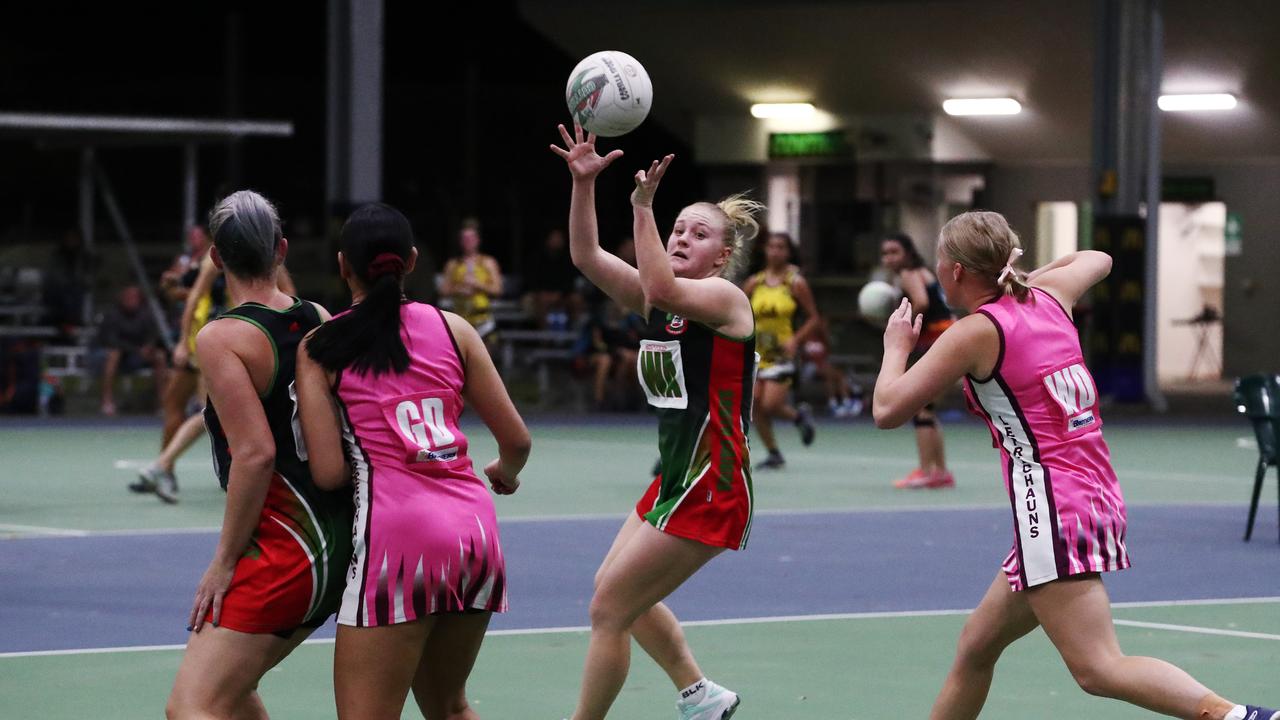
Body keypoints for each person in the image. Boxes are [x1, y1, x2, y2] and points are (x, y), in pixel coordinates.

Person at [871, 210, 1279, 720]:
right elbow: (1098, 258)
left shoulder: (974, 332)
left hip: (1053, 508)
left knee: (1098, 668)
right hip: (1093, 494)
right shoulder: (1050, 296)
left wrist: (896, 348)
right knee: (976, 646)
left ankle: (1238, 717)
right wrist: (1025, 278)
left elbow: (887, 410)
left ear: (954, 271)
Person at [552, 122, 758, 720]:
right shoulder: (656, 297)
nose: (681, 237)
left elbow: (663, 286)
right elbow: (586, 255)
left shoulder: (725, 300)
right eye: (677, 228)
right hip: (677, 476)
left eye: (698, 233)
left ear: (722, 256)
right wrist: (584, 183)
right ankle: (701, 694)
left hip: (713, 482)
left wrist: (643, 207)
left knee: (608, 610)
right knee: (617, 595)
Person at [295, 203, 529, 719]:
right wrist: (503, 474)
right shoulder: (454, 329)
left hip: (396, 542)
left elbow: (330, 473)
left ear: (342, 265)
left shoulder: (321, 346)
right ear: (413, 261)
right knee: (449, 707)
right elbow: (517, 442)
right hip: (474, 533)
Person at [165, 191, 353, 719]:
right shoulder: (316, 314)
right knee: (232, 689)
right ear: (282, 251)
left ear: (217, 258)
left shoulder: (222, 338)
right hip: (337, 532)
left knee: (191, 707)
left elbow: (254, 454)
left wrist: (223, 562)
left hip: (288, 546)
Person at [880, 232, 956, 488]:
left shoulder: (908, 274)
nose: (889, 258)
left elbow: (921, 302)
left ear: (908, 254)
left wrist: (902, 324)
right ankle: (941, 472)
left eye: (894, 252)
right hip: (944, 339)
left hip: (935, 341)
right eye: (885, 253)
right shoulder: (920, 271)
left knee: (921, 408)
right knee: (928, 409)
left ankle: (926, 471)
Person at [741, 232, 818, 469]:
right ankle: (774, 452)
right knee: (754, 404)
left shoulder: (795, 282)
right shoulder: (754, 282)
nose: (775, 251)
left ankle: (798, 417)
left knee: (771, 405)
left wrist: (796, 340)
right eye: (771, 246)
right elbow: (739, 312)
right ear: (765, 250)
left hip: (782, 353)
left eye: (781, 247)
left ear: (788, 252)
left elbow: (814, 318)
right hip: (758, 352)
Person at [95, 285, 166, 416]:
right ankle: (107, 401)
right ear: (122, 298)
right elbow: (110, 340)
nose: (132, 300)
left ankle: (162, 403)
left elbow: (153, 335)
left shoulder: (145, 314)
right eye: (129, 297)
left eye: (135, 297)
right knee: (113, 354)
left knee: (160, 356)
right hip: (120, 356)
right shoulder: (112, 315)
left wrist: (149, 346)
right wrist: (136, 350)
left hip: (139, 356)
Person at [440, 218, 503, 350]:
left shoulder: (487, 262)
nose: (468, 242)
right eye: (464, 238)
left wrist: (477, 285)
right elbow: (443, 290)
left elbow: (498, 290)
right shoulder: (453, 264)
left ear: (478, 240)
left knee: (483, 360)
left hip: (482, 319)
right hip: (460, 318)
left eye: (471, 238)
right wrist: (458, 289)